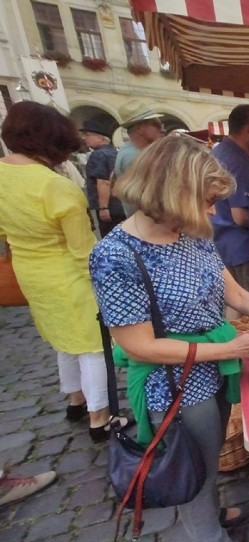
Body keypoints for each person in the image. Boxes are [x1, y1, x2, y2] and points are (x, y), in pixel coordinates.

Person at [89, 134, 249, 542]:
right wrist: (229, 348)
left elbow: (233, 291)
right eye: (207, 201)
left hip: (209, 367)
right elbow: (138, 344)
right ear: (175, 194)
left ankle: (211, 514)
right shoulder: (116, 256)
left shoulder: (190, 232)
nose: (213, 212)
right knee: (190, 461)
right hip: (171, 382)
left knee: (207, 454)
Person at [0, 102, 110, 441]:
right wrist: (107, 284)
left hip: (31, 272)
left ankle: (75, 399)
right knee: (92, 344)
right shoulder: (55, 186)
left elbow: (4, 234)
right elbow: (83, 252)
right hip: (68, 277)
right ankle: (99, 416)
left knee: (63, 339)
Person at [211, 105, 249, 304]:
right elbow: (241, 215)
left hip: (224, 245)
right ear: (247, 130)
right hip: (245, 251)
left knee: (237, 307)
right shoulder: (237, 161)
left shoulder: (219, 152)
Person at [113, 102, 165, 217]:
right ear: (141, 128)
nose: (162, 130)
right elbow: (145, 198)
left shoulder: (136, 152)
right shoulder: (133, 157)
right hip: (148, 224)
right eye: (157, 124)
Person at [80, 120, 123, 237]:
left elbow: (103, 181)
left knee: (110, 236)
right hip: (120, 203)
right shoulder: (114, 152)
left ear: (99, 137)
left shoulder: (98, 155)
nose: (84, 138)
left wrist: (103, 207)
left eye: (87, 135)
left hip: (110, 206)